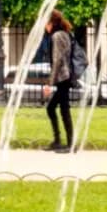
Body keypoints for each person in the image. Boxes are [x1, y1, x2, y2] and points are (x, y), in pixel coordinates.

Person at [43, 10, 78, 153]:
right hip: (65, 77)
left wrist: (49, 84)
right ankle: (58, 141)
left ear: (50, 23)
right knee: (52, 108)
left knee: (64, 110)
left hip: (63, 77)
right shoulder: (64, 33)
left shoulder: (57, 36)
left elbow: (57, 60)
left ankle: (70, 144)